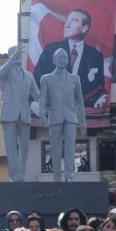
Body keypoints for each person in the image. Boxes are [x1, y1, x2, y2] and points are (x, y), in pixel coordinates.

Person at [32, 9, 107, 110]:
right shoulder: (51, 50)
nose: (67, 23)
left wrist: (96, 101)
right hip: (53, 111)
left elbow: (98, 89)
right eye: (67, 20)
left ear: (84, 28)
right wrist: (36, 102)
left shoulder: (95, 56)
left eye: (74, 20)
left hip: (81, 114)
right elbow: (36, 80)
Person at [39, 48, 87, 182]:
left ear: (68, 60)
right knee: (55, 149)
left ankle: (69, 176)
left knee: (71, 148)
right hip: (54, 117)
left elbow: (80, 101)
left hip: (71, 117)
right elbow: (42, 99)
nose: (62, 60)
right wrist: (42, 115)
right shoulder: (46, 79)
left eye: (65, 57)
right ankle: (57, 177)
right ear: (54, 60)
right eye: (59, 57)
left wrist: (83, 121)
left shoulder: (75, 79)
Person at [0, 45, 41, 183]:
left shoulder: (28, 75)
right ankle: (14, 177)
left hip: (24, 115)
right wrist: (12, 58)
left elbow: (38, 95)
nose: (19, 58)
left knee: (24, 148)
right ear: (11, 56)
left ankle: (20, 176)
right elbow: (2, 73)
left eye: (20, 55)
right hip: (9, 114)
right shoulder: (1, 70)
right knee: (11, 148)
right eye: (16, 55)